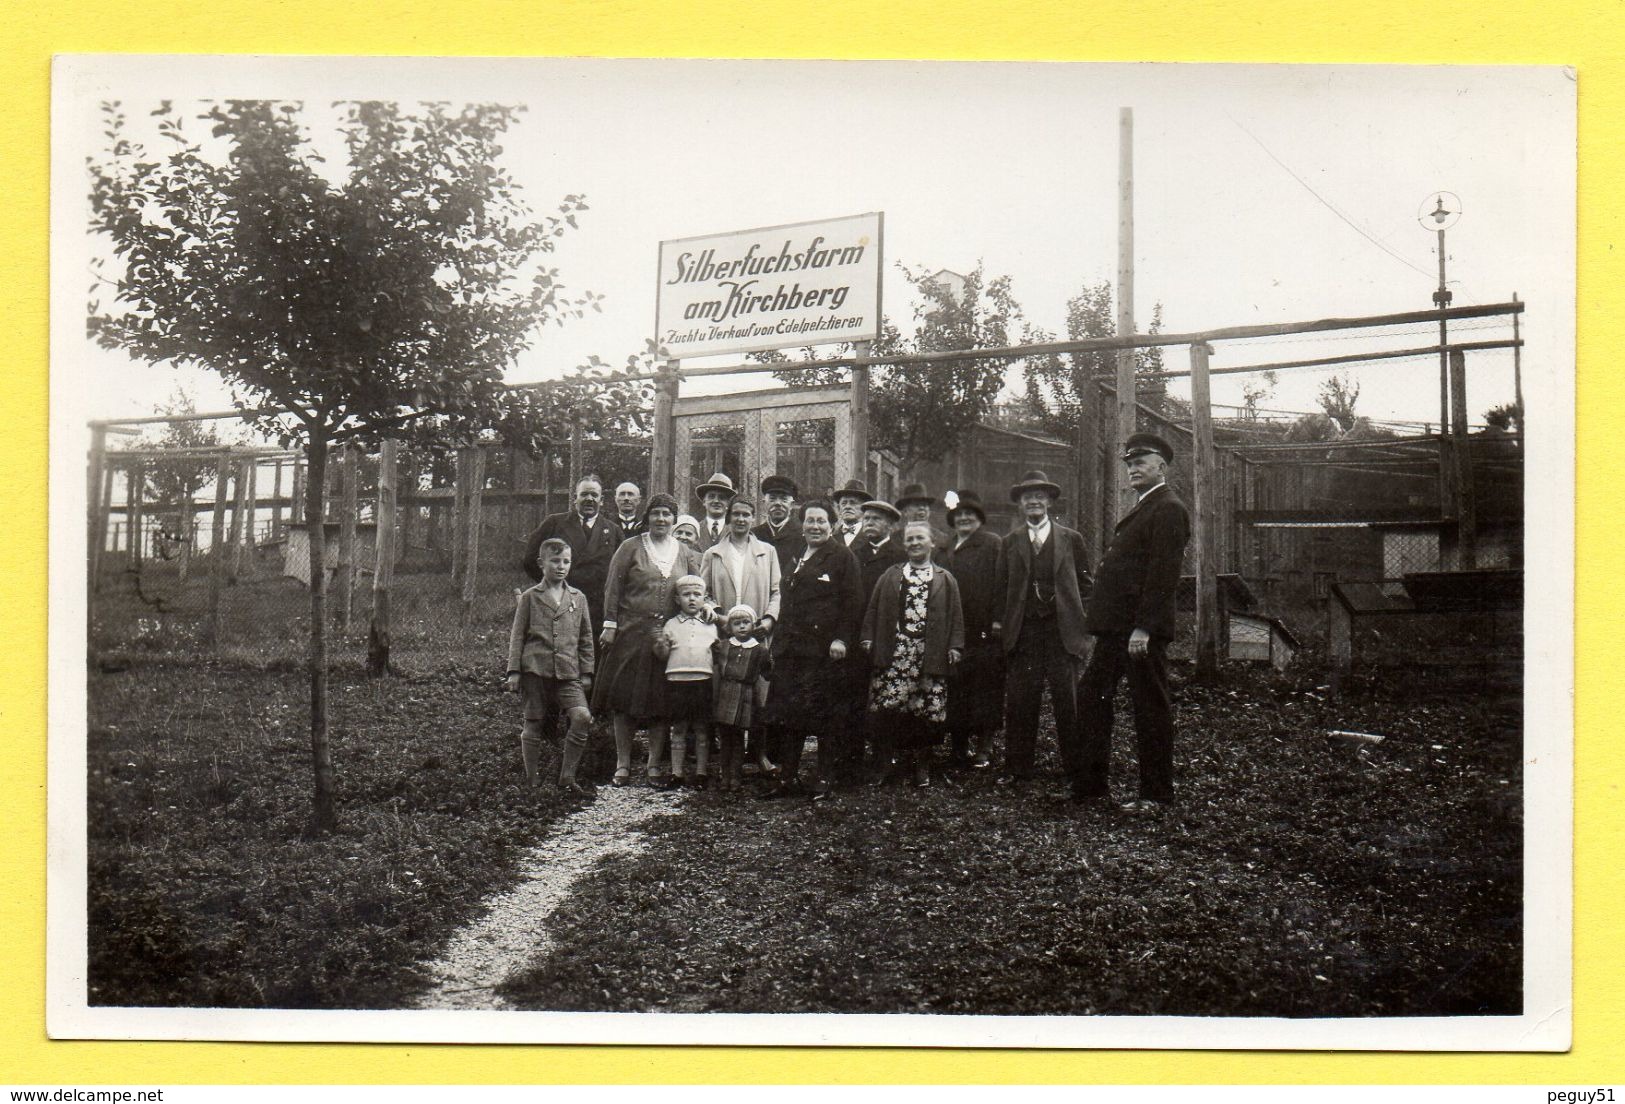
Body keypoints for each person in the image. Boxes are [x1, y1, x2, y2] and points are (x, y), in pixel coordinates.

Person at [1076, 433, 1192, 810]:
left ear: (1162, 466)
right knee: (1093, 697)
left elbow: (1163, 575)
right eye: (1129, 462)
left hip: (1138, 632)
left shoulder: (1168, 508)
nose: (1133, 468)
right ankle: (1091, 789)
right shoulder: (1145, 507)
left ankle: (1156, 794)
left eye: (1141, 461)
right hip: (1117, 630)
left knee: (1150, 707)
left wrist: (1145, 627)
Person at [593, 493, 705, 786]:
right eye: (656, 513)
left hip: (667, 639)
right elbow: (613, 587)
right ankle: (623, 764)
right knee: (624, 700)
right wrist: (610, 624)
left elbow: (695, 589)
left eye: (667, 514)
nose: (661, 519)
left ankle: (654, 766)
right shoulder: (630, 547)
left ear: (674, 519)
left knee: (660, 702)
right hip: (631, 633)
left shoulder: (684, 552)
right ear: (648, 516)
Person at [991, 470, 1094, 791]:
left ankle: (1076, 768)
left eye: (1039, 496)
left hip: (1063, 631)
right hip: (1025, 631)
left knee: (1068, 699)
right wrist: (1001, 622)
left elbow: (1086, 584)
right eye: (1027, 497)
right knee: (1021, 700)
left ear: (1049, 501)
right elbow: (1001, 587)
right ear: (1020, 504)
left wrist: (1084, 623)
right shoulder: (1010, 542)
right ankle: (1018, 768)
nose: (1033, 501)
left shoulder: (1071, 539)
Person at [757, 500, 863, 801]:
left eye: (821, 521)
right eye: (809, 521)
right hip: (792, 650)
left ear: (832, 525)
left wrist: (841, 639)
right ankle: (788, 778)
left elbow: (853, 603)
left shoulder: (842, 557)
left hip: (823, 652)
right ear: (801, 524)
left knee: (824, 717)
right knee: (791, 716)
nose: (814, 526)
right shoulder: (796, 556)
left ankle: (823, 779)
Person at [861, 520, 965, 788]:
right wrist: (868, 637)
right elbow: (873, 608)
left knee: (926, 709)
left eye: (920, 538)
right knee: (887, 706)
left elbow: (956, 616)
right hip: (895, 651)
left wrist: (955, 645)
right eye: (910, 539)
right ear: (904, 544)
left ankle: (922, 765)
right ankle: (884, 763)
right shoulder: (891, 575)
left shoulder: (944, 578)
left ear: (932, 543)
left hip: (929, 653)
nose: (915, 543)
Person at [506, 538, 596, 796]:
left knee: (582, 717)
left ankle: (567, 778)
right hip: (535, 669)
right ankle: (532, 781)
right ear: (541, 564)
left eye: (566, 562)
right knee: (533, 722)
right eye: (555, 561)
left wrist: (587, 671)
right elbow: (517, 635)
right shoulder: (530, 597)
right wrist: (514, 671)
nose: (561, 567)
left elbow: (586, 637)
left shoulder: (578, 598)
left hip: (568, 671)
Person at [938, 489, 1004, 769]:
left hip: (984, 629)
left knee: (986, 687)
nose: (964, 519)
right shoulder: (946, 547)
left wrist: (998, 619)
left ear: (979, 518)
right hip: (953, 628)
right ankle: (958, 747)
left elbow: (1003, 583)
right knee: (957, 687)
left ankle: (984, 748)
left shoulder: (991, 543)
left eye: (969, 514)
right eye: (959, 515)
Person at [518, 476, 621, 637]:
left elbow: (622, 570)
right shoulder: (554, 523)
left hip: (598, 607)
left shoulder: (613, 530)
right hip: (560, 603)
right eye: (584, 494)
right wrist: (552, 586)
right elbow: (530, 560)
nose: (589, 499)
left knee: (593, 654)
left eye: (594, 495)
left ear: (601, 500)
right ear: (575, 498)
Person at [653, 575, 718, 790]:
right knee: (679, 727)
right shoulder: (670, 624)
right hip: (677, 680)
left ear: (705, 598)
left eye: (697, 595)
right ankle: (677, 773)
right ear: (677, 598)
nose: (692, 599)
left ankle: (701, 773)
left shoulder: (711, 623)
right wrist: (661, 645)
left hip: (703, 680)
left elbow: (718, 653)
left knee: (701, 728)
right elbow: (662, 655)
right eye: (686, 594)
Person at [712, 603, 771, 794]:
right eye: (737, 623)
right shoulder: (724, 646)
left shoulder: (759, 650)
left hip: (746, 695)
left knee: (738, 739)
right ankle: (725, 776)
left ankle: (736, 777)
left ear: (753, 625)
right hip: (725, 692)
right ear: (730, 627)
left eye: (746, 622)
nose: (742, 627)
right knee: (725, 737)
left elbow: (768, 672)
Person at [852, 499, 906, 602]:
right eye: (866, 518)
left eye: (876, 518)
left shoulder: (901, 556)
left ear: (890, 525)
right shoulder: (855, 555)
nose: (869, 523)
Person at [753, 473, 805, 570]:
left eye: (784, 499)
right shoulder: (754, 535)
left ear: (792, 505)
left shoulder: (802, 534)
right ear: (764, 503)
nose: (777, 503)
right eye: (772, 499)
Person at [894, 482, 952, 551]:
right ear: (905, 512)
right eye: (916, 505)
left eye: (925, 505)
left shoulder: (942, 538)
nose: (922, 508)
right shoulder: (895, 539)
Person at [694, 472, 737, 547]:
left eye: (721, 497)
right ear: (704, 501)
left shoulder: (736, 531)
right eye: (711, 496)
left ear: (728, 503)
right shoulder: (695, 529)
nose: (716, 501)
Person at [830, 478, 870, 547]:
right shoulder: (831, 537)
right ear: (839, 509)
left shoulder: (871, 536)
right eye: (844, 503)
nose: (847, 507)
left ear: (864, 508)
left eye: (853, 503)